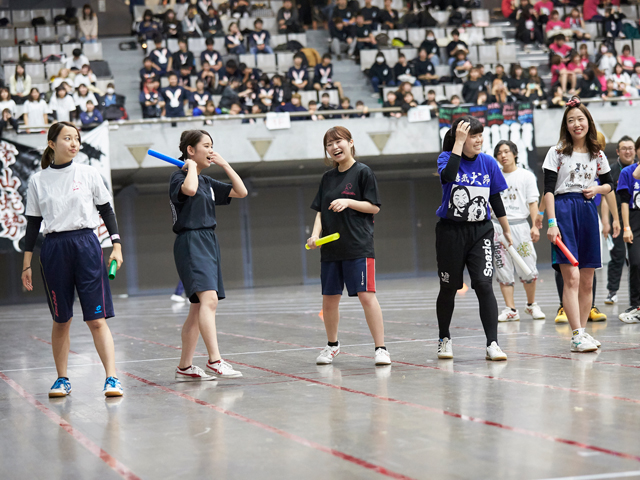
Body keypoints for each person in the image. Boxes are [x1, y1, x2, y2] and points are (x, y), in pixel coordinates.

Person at [22, 122, 124, 397]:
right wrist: (26, 263)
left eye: (76, 138)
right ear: (52, 143)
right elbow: (32, 226)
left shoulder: (88, 173)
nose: (74, 143)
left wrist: (117, 245)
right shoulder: (37, 180)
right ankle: (62, 379)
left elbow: (106, 210)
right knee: (61, 320)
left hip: (87, 245)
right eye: (67, 138)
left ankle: (112, 378)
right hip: (54, 249)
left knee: (97, 319)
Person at [307, 126, 390, 366]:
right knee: (329, 300)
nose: (334, 147)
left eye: (338, 141)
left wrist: (348, 201)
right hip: (331, 249)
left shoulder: (363, 172)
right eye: (329, 144)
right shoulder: (327, 178)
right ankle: (332, 346)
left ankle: (381, 348)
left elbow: (374, 207)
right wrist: (315, 235)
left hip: (358, 246)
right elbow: (320, 212)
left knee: (366, 296)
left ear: (350, 142)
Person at [170, 130, 248, 380]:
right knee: (209, 300)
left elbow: (241, 191)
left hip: (209, 241)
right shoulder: (177, 177)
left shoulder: (207, 182)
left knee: (198, 307)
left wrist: (224, 163)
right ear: (191, 150)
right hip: (191, 240)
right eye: (206, 146)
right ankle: (215, 360)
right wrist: (191, 167)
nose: (211, 150)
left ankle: (184, 367)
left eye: (213, 146)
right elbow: (189, 190)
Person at [543, 97, 616, 352]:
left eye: (580, 119)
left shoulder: (597, 154)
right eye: (571, 120)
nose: (576, 124)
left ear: (588, 122)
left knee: (587, 279)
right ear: (566, 125)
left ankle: (582, 333)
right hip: (563, 211)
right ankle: (575, 335)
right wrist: (551, 222)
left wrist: (597, 188)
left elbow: (610, 185)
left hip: (587, 211)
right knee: (571, 277)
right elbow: (548, 191)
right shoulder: (557, 152)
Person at [435, 117, 511, 361]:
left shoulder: (488, 162)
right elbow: (448, 176)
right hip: (451, 232)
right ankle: (444, 338)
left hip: (481, 232)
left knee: (484, 284)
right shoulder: (446, 158)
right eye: (472, 135)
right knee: (448, 288)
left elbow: (495, 198)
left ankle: (492, 343)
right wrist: (457, 142)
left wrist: (506, 228)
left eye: (480, 135)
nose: (478, 140)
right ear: (459, 138)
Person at [492, 140, 545, 322]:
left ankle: (531, 305)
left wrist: (534, 226)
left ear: (514, 153)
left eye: (506, 151)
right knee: (502, 268)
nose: (503, 155)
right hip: (497, 229)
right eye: (499, 153)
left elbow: (532, 202)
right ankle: (510, 309)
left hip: (520, 226)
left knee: (528, 267)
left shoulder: (526, 176)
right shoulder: (493, 176)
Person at [602, 136, 636, 305]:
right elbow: (606, 199)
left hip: (636, 219)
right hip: (618, 221)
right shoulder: (612, 171)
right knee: (618, 256)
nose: (628, 151)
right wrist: (606, 222)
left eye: (631, 148)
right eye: (624, 148)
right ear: (618, 151)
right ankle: (612, 291)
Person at [617, 137, 640, 323]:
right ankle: (636, 305)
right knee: (636, 262)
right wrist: (626, 227)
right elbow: (624, 201)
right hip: (634, 219)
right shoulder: (628, 172)